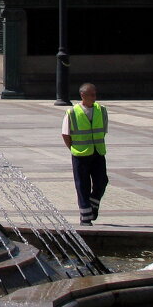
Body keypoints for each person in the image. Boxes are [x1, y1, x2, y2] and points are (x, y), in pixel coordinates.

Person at [62, 82, 108, 226]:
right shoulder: (72, 113)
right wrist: (73, 148)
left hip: (98, 152)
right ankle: (85, 217)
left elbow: (104, 130)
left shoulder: (101, 110)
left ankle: (93, 203)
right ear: (83, 95)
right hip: (80, 154)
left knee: (102, 181)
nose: (94, 97)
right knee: (82, 185)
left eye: (95, 94)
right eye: (91, 95)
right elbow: (65, 134)